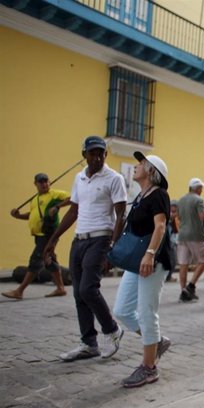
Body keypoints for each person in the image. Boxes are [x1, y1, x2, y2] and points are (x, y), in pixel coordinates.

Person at [43, 136, 126, 361]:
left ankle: (112, 330)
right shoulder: (79, 178)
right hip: (79, 239)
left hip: (101, 238)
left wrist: (113, 247)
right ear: (85, 155)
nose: (97, 157)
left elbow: (121, 215)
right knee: (79, 293)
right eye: (92, 153)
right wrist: (53, 239)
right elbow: (73, 211)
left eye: (101, 153)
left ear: (105, 155)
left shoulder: (114, 178)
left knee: (88, 289)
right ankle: (89, 343)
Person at [112, 152, 173, 388]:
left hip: (153, 260)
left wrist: (149, 254)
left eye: (142, 163)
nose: (137, 166)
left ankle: (149, 368)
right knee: (122, 310)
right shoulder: (140, 196)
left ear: (152, 172)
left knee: (147, 312)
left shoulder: (159, 195)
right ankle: (156, 341)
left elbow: (160, 226)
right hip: (138, 260)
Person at [2, 173, 70, 300]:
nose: (44, 184)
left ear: (50, 182)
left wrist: (57, 206)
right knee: (49, 259)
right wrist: (18, 216)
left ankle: (20, 291)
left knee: (36, 259)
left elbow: (73, 198)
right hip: (39, 235)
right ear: (36, 184)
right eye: (41, 182)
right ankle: (60, 288)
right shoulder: (35, 199)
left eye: (46, 181)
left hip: (49, 233)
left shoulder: (54, 194)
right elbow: (32, 215)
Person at [176, 177, 204, 302]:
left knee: (183, 264)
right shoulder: (199, 200)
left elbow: (178, 216)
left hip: (182, 235)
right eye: (201, 188)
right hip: (196, 234)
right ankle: (191, 285)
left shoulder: (181, 200)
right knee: (203, 260)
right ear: (197, 188)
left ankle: (183, 290)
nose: (202, 191)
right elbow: (202, 216)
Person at [165, 200, 179, 283]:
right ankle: (168, 276)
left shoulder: (176, 218)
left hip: (173, 242)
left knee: (173, 260)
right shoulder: (167, 216)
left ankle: (169, 275)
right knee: (172, 260)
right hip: (168, 242)